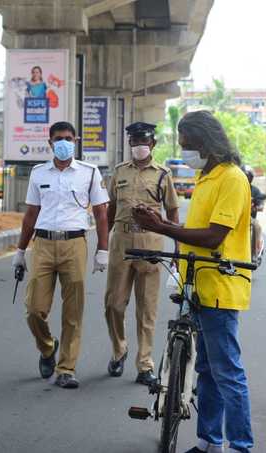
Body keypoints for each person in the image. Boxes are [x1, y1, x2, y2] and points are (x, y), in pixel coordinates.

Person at [133, 110, 254, 453]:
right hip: (195, 282)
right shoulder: (206, 178)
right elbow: (190, 232)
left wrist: (161, 227)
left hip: (220, 287)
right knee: (205, 369)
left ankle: (241, 447)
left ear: (206, 142)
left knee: (227, 372)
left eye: (188, 145)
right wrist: (162, 225)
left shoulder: (232, 178)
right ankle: (208, 443)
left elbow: (214, 236)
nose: (185, 151)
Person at [13, 121, 110, 389]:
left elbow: (101, 213)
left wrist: (103, 250)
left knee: (73, 312)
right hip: (42, 244)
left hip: (74, 244)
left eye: (69, 138)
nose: (64, 142)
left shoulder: (89, 173)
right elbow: (30, 214)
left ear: (76, 140)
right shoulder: (38, 173)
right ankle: (47, 348)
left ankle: (66, 368)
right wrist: (20, 251)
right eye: (59, 138)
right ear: (50, 143)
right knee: (34, 309)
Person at [103, 122, 179, 385]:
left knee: (147, 308)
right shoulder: (119, 172)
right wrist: (104, 243)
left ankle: (145, 364)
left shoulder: (162, 174)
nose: (138, 147)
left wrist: (177, 246)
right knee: (114, 303)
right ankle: (119, 349)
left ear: (153, 144)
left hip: (150, 241)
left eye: (143, 142)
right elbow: (110, 207)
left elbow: (172, 211)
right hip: (121, 240)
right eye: (134, 142)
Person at [241, 165, 266, 264]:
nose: (246, 178)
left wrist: (257, 207)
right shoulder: (236, 188)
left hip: (249, 217)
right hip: (236, 217)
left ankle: (255, 252)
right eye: (244, 176)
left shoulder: (255, 190)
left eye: (248, 176)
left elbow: (261, 204)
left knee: (257, 226)